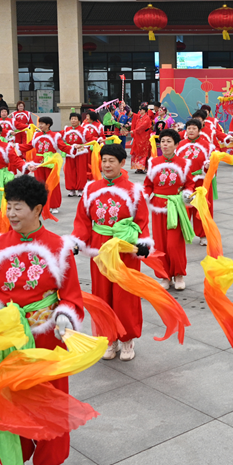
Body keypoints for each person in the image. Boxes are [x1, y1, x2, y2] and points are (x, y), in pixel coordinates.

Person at [0, 175, 85, 465]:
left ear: (37, 209)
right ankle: (12, 459)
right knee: (10, 399)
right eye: (9, 207)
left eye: (18, 207)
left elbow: (72, 296)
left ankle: (49, 462)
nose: (11, 213)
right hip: (8, 336)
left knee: (49, 398)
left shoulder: (59, 247)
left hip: (46, 336)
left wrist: (64, 317)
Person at [72, 144, 152, 361]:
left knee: (125, 295)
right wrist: (77, 241)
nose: (106, 165)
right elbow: (83, 219)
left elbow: (142, 220)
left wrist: (143, 242)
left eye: (111, 161)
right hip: (99, 249)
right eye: (104, 160)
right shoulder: (90, 189)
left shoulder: (134, 191)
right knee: (102, 295)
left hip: (124, 249)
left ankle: (127, 339)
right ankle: (109, 338)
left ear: (122, 163)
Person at [145, 129, 195, 290]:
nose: (165, 145)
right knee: (160, 244)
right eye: (163, 141)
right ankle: (164, 276)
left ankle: (178, 274)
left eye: (168, 142)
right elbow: (148, 184)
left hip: (177, 206)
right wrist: (143, 196)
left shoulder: (183, 163)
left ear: (176, 144)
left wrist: (187, 195)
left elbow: (189, 184)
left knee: (175, 244)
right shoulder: (153, 162)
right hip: (158, 207)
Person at [177, 119, 213, 246]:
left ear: (199, 130)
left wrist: (208, 166)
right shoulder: (180, 144)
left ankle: (203, 235)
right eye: (189, 128)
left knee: (201, 208)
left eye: (194, 128)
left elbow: (213, 163)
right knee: (183, 208)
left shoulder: (207, 145)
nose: (191, 131)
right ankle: (183, 233)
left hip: (201, 182)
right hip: (185, 183)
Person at [24, 116, 70, 214]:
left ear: (48, 125)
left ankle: (54, 205)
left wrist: (74, 148)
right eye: (39, 124)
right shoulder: (36, 135)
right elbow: (28, 146)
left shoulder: (55, 135)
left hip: (50, 162)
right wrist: (16, 147)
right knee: (40, 184)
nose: (39, 125)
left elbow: (63, 147)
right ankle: (41, 204)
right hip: (38, 162)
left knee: (52, 183)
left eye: (42, 124)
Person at [62, 113, 86, 197]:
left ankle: (80, 189)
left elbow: (90, 139)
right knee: (69, 171)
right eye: (72, 119)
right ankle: (71, 189)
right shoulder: (66, 129)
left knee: (81, 170)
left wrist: (99, 140)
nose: (73, 120)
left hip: (80, 152)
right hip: (70, 152)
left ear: (79, 120)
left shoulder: (83, 130)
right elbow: (57, 136)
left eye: (75, 119)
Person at [129, 103, 155, 173]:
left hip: (144, 137)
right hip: (138, 137)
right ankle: (138, 168)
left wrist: (134, 131)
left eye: (142, 110)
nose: (141, 111)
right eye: (140, 110)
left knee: (144, 152)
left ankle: (144, 167)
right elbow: (134, 117)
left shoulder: (147, 118)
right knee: (137, 151)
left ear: (145, 111)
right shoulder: (139, 117)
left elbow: (143, 127)